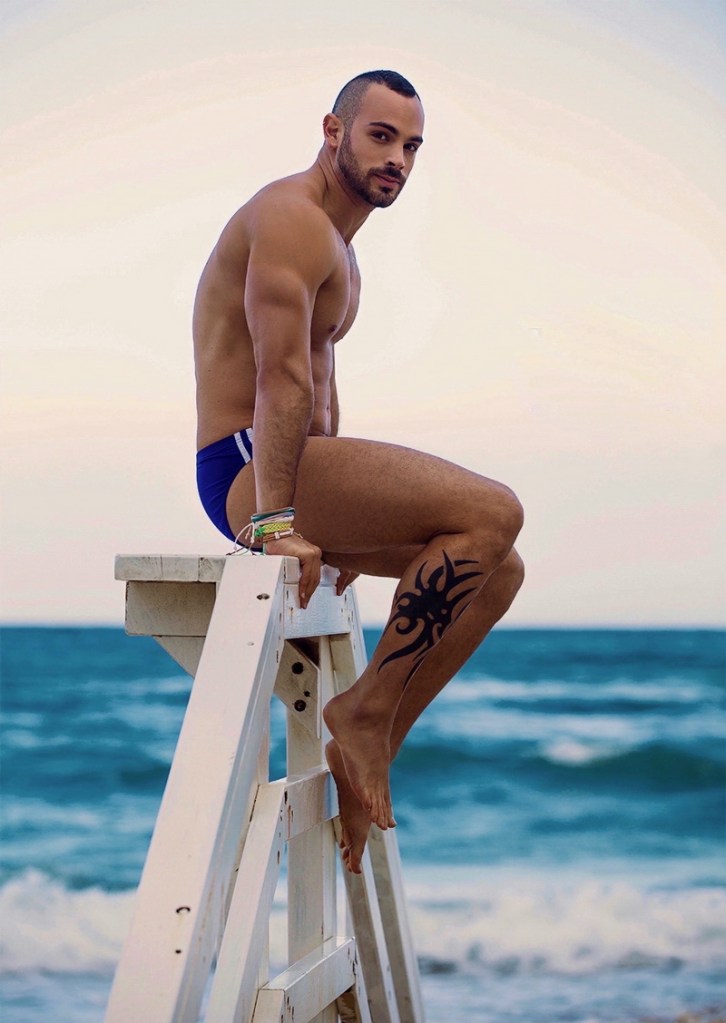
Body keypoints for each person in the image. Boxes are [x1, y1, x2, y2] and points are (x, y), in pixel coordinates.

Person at [194, 70, 524, 873]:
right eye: (381, 136)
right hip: (245, 469)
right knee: (495, 510)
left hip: (291, 470)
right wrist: (277, 522)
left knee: (500, 569)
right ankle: (365, 714)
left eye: (412, 146)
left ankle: (372, 737)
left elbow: (322, 393)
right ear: (333, 130)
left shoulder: (341, 248)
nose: (398, 159)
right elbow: (281, 378)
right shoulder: (290, 218)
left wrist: (338, 533)